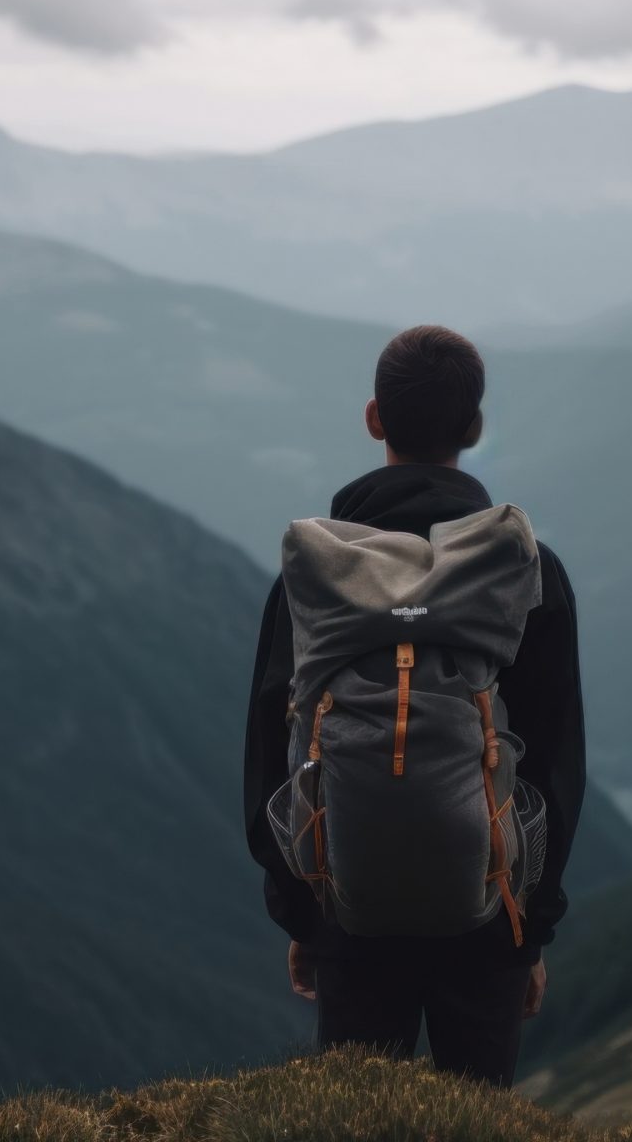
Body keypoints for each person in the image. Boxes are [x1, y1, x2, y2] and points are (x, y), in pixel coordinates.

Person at [241, 324, 587, 1086]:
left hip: (349, 912)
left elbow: (272, 751)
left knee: (359, 1124)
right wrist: (529, 935)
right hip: (492, 915)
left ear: (375, 419)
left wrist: (305, 917)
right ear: (473, 429)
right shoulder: (524, 570)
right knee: (477, 1125)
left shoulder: (317, 575)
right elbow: (558, 762)